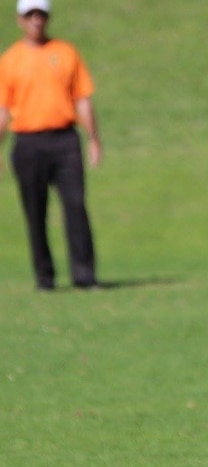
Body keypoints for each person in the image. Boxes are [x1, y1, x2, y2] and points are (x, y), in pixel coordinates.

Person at [0, 0, 102, 291]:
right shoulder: (10, 60)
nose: (36, 21)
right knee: (35, 211)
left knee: (75, 206)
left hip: (64, 140)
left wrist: (93, 138)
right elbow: (3, 109)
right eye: (30, 15)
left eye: (40, 15)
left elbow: (82, 98)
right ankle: (44, 278)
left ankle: (84, 276)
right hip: (28, 142)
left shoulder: (65, 53)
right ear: (20, 20)